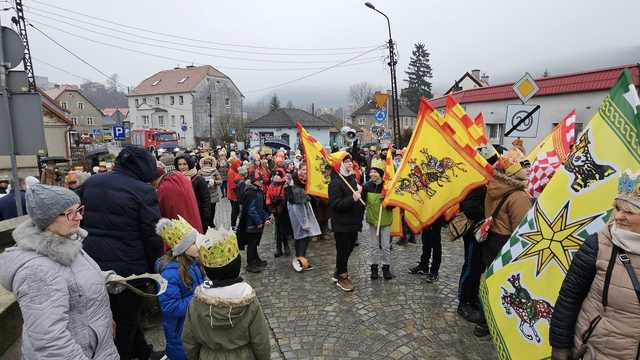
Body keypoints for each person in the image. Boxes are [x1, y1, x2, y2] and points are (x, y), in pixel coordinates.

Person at [0, 184, 120, 359]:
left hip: (97, 347)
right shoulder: (37, 270)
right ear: (48, 219)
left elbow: (77, 278)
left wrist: (110, 281)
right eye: (70, 212)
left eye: (79, 209)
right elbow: (50, 341)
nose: (79, 216)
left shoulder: (66, 242)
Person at [80, 145, 165, 359]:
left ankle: (143, 352)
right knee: (125, 321)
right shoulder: (142, 190)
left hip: (94, 266)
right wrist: (152, 267)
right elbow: (152, 234)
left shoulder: (91, 182)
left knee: (120, 315)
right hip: (129, 268)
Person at [550, 174, 640, 360]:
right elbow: (569, 298)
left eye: (629, 212)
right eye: (617, 208)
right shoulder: (598, 244)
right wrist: (560, 347)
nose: (618, 216)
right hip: (597, 351)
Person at [182, 227, 271, 359]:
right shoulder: (249, 301)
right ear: (237, 267)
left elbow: (189, 341)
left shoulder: (196, 303)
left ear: (208, 271)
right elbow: (260, 340)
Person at [475, 147, 533, 337]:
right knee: (505, 285)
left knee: (490, 281)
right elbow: (522, 230)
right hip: (506, 243)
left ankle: (484, 321)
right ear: (514, 172)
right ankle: (497, 324)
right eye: (524, 167)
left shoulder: (494, 187)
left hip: (491, 240)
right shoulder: (518, 195)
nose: (529, 169)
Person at [155, 217, 205, 360]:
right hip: (180, 334)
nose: (198, 245)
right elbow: (170, 307)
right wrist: (198, 296)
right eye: (194, 243)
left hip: (194, 326)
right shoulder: (169, 275)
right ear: (183, 248)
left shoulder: (193, 262)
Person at [329, 154, 365, 292]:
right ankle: (342, 277)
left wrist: (360, 191)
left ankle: (339, 269)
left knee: (349, 249)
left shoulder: (351, 178)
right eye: (346, 162)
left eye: (350, 161)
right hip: (342, 224)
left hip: (353, 222)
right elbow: (335, 204)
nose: (350, 164)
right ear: (340, 164)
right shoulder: (335, 183)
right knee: (343, 250)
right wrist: (353, 198)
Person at [286, 163, 321, 272]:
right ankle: (300, 260)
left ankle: (302, 258)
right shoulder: (295, 184)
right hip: (299, 214)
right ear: (299, 170)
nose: (305, 171)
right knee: (301, 237)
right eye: (303, 169)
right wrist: (304, 222)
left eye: (307, 169)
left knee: (304, 237)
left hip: (303, 211)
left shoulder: (302, 182)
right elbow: (297, 206)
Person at [363, 161, 394, 280]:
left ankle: (386, 268)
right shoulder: (366, 186)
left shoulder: (387, 187)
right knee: (373, 246)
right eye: (371, 172)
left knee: (385, 246)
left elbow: (393, 205)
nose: (372, 174)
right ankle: (374, 268)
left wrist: (386, 201)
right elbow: (363, 203)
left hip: (385, 220)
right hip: (372, 220)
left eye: (375, 172)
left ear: (381, 174)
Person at [153, 164, 204, 234]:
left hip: (182, 233)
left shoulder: (164, 188)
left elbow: (160, 212)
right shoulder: (180, 177)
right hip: (194, 225)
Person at [236, 172, 272, 273]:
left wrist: (266, 218)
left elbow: (261, 208)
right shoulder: (251, 192)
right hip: (251, 224)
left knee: (255, 242)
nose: (261, 182)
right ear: (254, 181)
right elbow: (251, 210)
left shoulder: (258, 191)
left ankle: (256, 260)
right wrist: (258, 221)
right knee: (252, 244)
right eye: (259, 180)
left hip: (257, 223)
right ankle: (250, 264)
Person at [176, 155, 211, 232]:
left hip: (198, 215)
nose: (182, 167)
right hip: (183, 216)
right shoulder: (176, 179)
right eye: (180, 164)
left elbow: (206, 200)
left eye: (185, 164)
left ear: (190, 164)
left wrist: (205, 219)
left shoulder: (198, 179)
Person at [266, 168, 291, 257]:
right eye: (275, 175)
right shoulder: (271, 185)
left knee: (283, 229)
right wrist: (270, 206)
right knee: (278, 231)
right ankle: (278, 248)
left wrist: (281, 201)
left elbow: (287, 196)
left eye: (278, 175)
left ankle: (286, 246)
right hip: (275, 210)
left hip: (283, 210)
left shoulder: (284, 185)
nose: (276, 176)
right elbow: (268, 196)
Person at [198, 156, 222, 229]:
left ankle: (211, 222)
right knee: (205, 209)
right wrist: (202, 183)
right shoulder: (200, 171)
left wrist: (214, 182)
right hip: (203, 194)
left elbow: (220, 181)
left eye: (209, 163)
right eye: (206, 163)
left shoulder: (215, 171)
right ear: (203, 163)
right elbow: (197, 182)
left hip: (213, 194)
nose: (207, 164)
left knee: (212, 209)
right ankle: (206, 222)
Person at [227, 158, 243, 230]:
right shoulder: (231, 172)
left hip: (237, 194)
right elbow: (232, 186)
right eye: (237, 164)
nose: (239, 166)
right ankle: (233, 225)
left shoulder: (236, 170)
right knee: (235, 210)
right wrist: (238, 196)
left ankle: (235, 224)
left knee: (237, 210)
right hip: (234, 195)